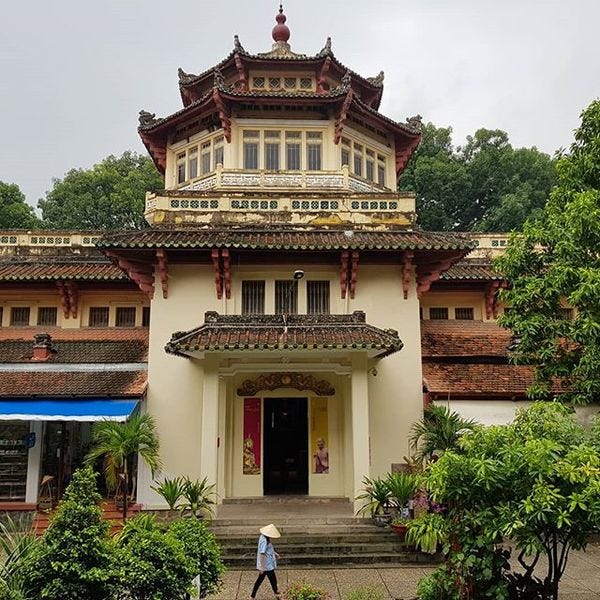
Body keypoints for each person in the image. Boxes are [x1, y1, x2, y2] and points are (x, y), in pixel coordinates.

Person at [250, 523, 281, 599]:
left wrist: (275, 554)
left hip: (268, 564)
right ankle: (276, 593)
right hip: (266, 565)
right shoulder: (264, 541)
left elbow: (269, 550)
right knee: (269, 580)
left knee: (269, 579)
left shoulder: (264, 537)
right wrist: (262, 568)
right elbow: (262, 554)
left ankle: (253, 595)